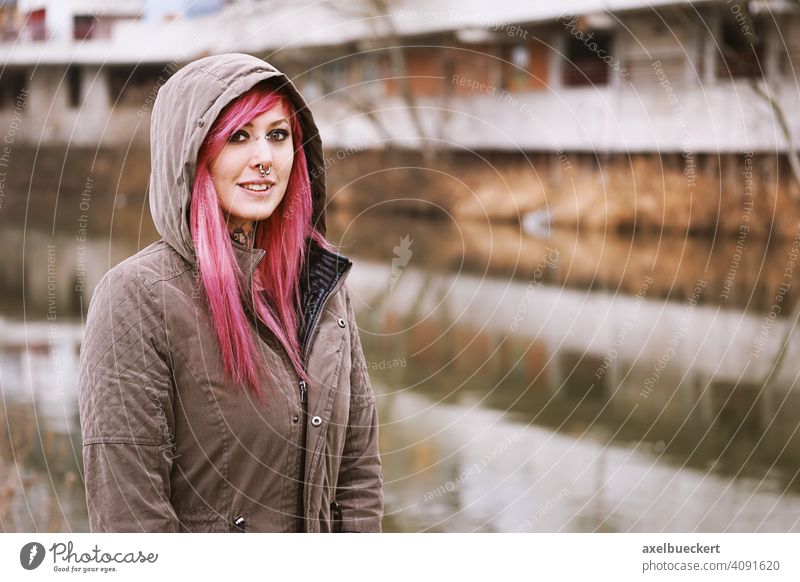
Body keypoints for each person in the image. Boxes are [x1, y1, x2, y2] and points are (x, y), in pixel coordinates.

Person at [78, 53, 383, 533]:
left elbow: (358, 473)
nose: (264, 157)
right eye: (239, 135)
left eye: (278, 135)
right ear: (192, 152)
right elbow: (130, 518)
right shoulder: (137, 297)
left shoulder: (321, 286)